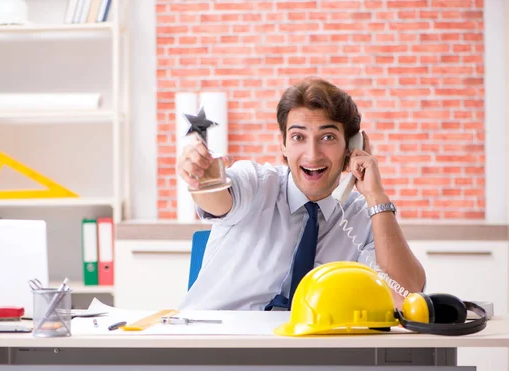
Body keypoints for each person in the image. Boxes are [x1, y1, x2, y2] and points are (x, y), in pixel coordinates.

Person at [176, 77, 426, 311]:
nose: (312, 154)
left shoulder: (363, 216)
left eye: (327, 137)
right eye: (298, 137)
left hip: (310, 352)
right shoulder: (256, 182)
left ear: (351, 147)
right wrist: (202, 178)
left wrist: (376, 196)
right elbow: (219, 200)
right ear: (283, 145)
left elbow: (405, 297)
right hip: (219, 343)